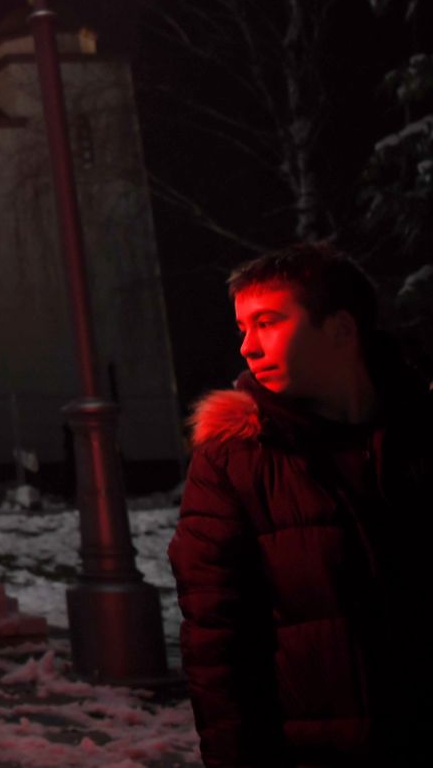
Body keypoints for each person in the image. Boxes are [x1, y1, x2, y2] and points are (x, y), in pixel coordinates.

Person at [170, 244, 433, 766]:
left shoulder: (418, 433)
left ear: (340, 328)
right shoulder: (236, 460)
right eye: (243, 327)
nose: (247, 346)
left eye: (266, 322)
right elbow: (218, 647)